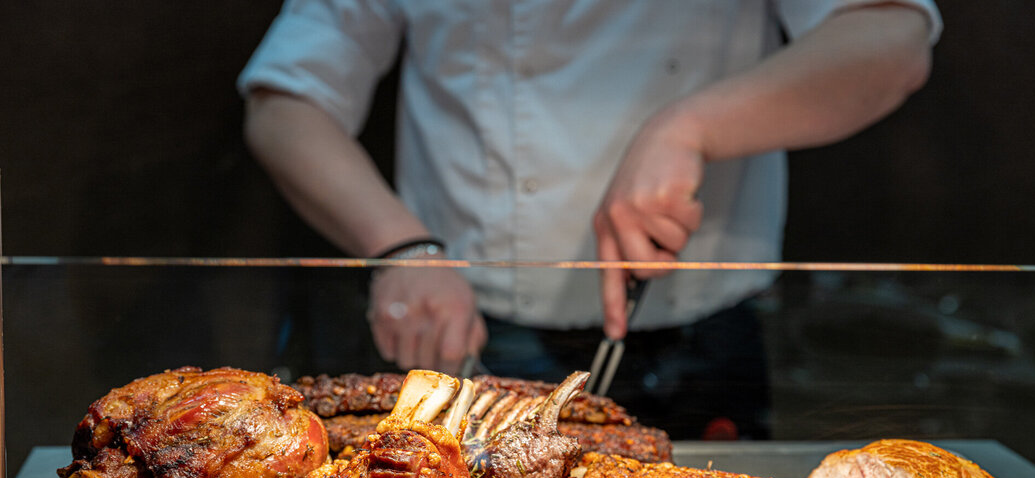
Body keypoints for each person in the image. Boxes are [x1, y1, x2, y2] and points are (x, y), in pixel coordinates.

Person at [238, 1, 941, 438]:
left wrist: (688, 127)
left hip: (704, 335)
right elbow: (286, 103)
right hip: (471, 342)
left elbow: (892, 35)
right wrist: (398, 246)